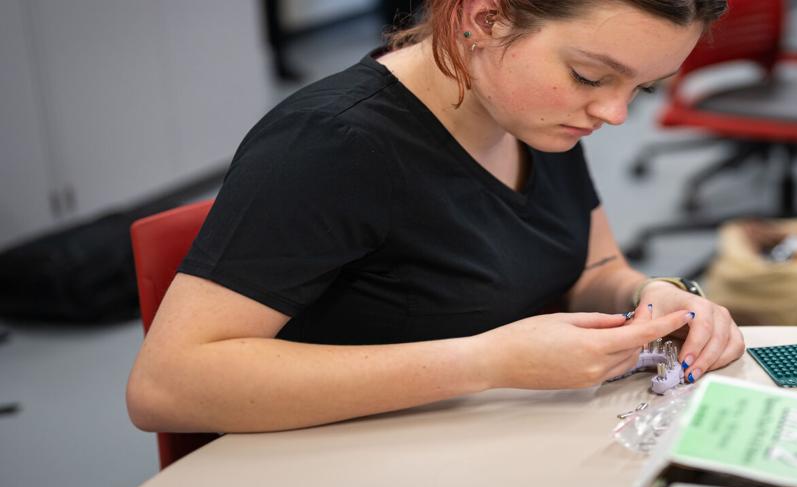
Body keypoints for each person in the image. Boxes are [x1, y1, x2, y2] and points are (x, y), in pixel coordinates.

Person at [128, 0, 743, 435]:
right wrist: (486, 362)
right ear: (484, 17)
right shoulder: (332, 144)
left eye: (642, 87)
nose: (613, 112)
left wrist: (650, 292)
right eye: (591, 75)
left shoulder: (535, 114)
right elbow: (167, 386)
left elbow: (594, 264)